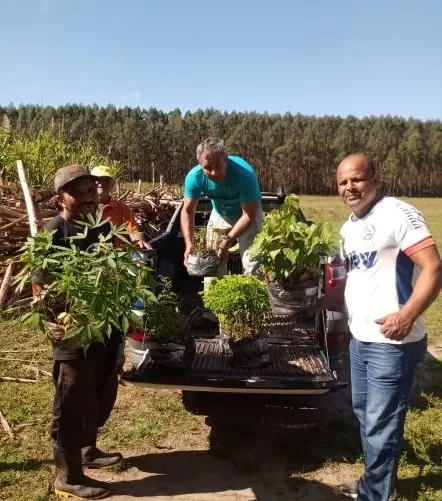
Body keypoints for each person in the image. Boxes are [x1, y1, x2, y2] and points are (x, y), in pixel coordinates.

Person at [320, 154, 442, 501]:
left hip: (393, 341)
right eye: (343, 182)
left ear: (376, 178)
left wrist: (406, 315)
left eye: (356, 179)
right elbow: (354, 278)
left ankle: (376, 494)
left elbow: (433, 268)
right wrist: (319, 304)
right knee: (365, 412)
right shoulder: (349, 227)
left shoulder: (397, 214)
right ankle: (377, 484)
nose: (349, 187)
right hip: (361, 339)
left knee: (381, 420)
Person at [33, 165, 124, 500]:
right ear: (62, 199)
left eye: (90, 191)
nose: (87, 198)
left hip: (104, 327)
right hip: (74, 333)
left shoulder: (98, 227)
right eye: (79, 193)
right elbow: (40, 284)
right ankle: (68, 474)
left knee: (99, 392)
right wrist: (60, 317)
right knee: (73, 398)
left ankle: (88, 450)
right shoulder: (55, 230)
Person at [181, 137, 262, 286]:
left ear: (226, 160)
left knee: (252, 263)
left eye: (218, 166)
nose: (213, 173)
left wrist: (228, 239)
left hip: (248, 215)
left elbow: (249, 215)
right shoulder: (194, 178)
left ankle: (250, 306)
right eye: (207, 168)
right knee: (211, 262)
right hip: (220, 213)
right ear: (200, 165)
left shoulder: (244, 176)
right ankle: (214, 306)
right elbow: (187, 211)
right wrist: (189, 243)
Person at [90, 165, 151, 249]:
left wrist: (139, 242)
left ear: (112, 184)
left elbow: (133, 231)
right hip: (90, 256)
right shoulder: (84, 207)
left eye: (106, 180)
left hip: (116, 257)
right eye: (97, 179)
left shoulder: (121, 207)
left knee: (141, 257)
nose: (101, 182)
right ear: (90, 183)